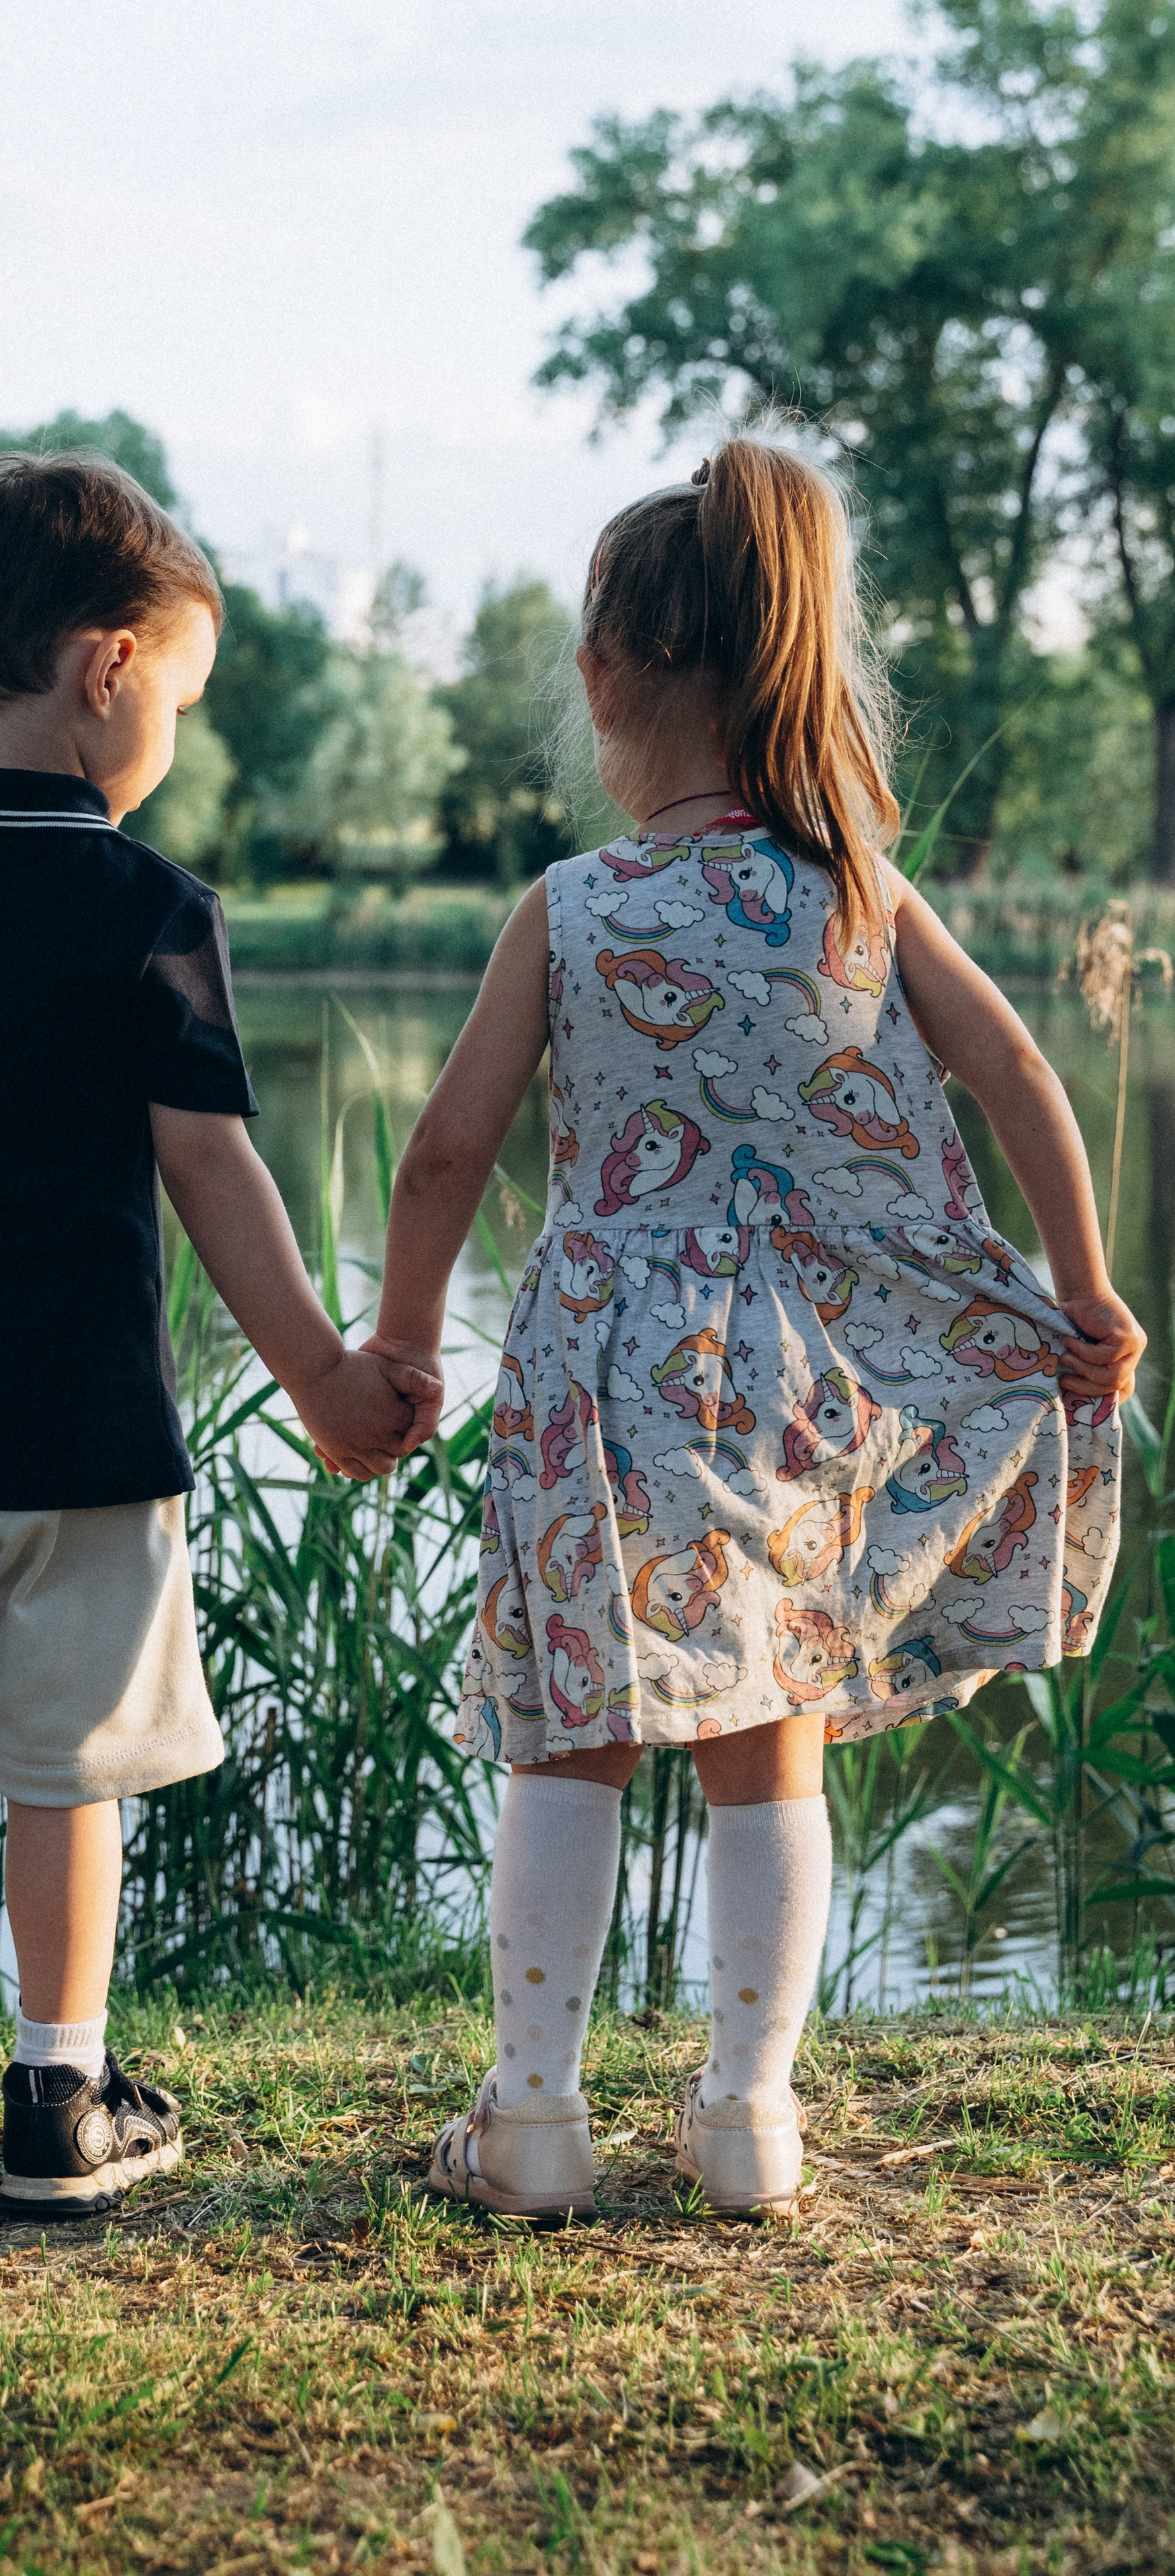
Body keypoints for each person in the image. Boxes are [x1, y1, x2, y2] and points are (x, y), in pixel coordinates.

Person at [365, 433, 1145, 2220]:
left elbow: (441, 1154)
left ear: (609, 674)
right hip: (794, 1386)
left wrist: (404, 1349)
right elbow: (1017, 1066)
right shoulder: (859, 888)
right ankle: (748, 2120)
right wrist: (1082, 1282)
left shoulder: (569, 909)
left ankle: (535, 2119)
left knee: (573, 1726)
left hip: (592, 1380)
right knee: (769, 1723)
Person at [0, 451, 435, 2223]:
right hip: (85, 1446)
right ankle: (61, 2091)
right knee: (69, 1780)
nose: (174, 743)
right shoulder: (150, 912)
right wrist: (328, 1380)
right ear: (106, 668)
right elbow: (213, 1166)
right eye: (182, 701)